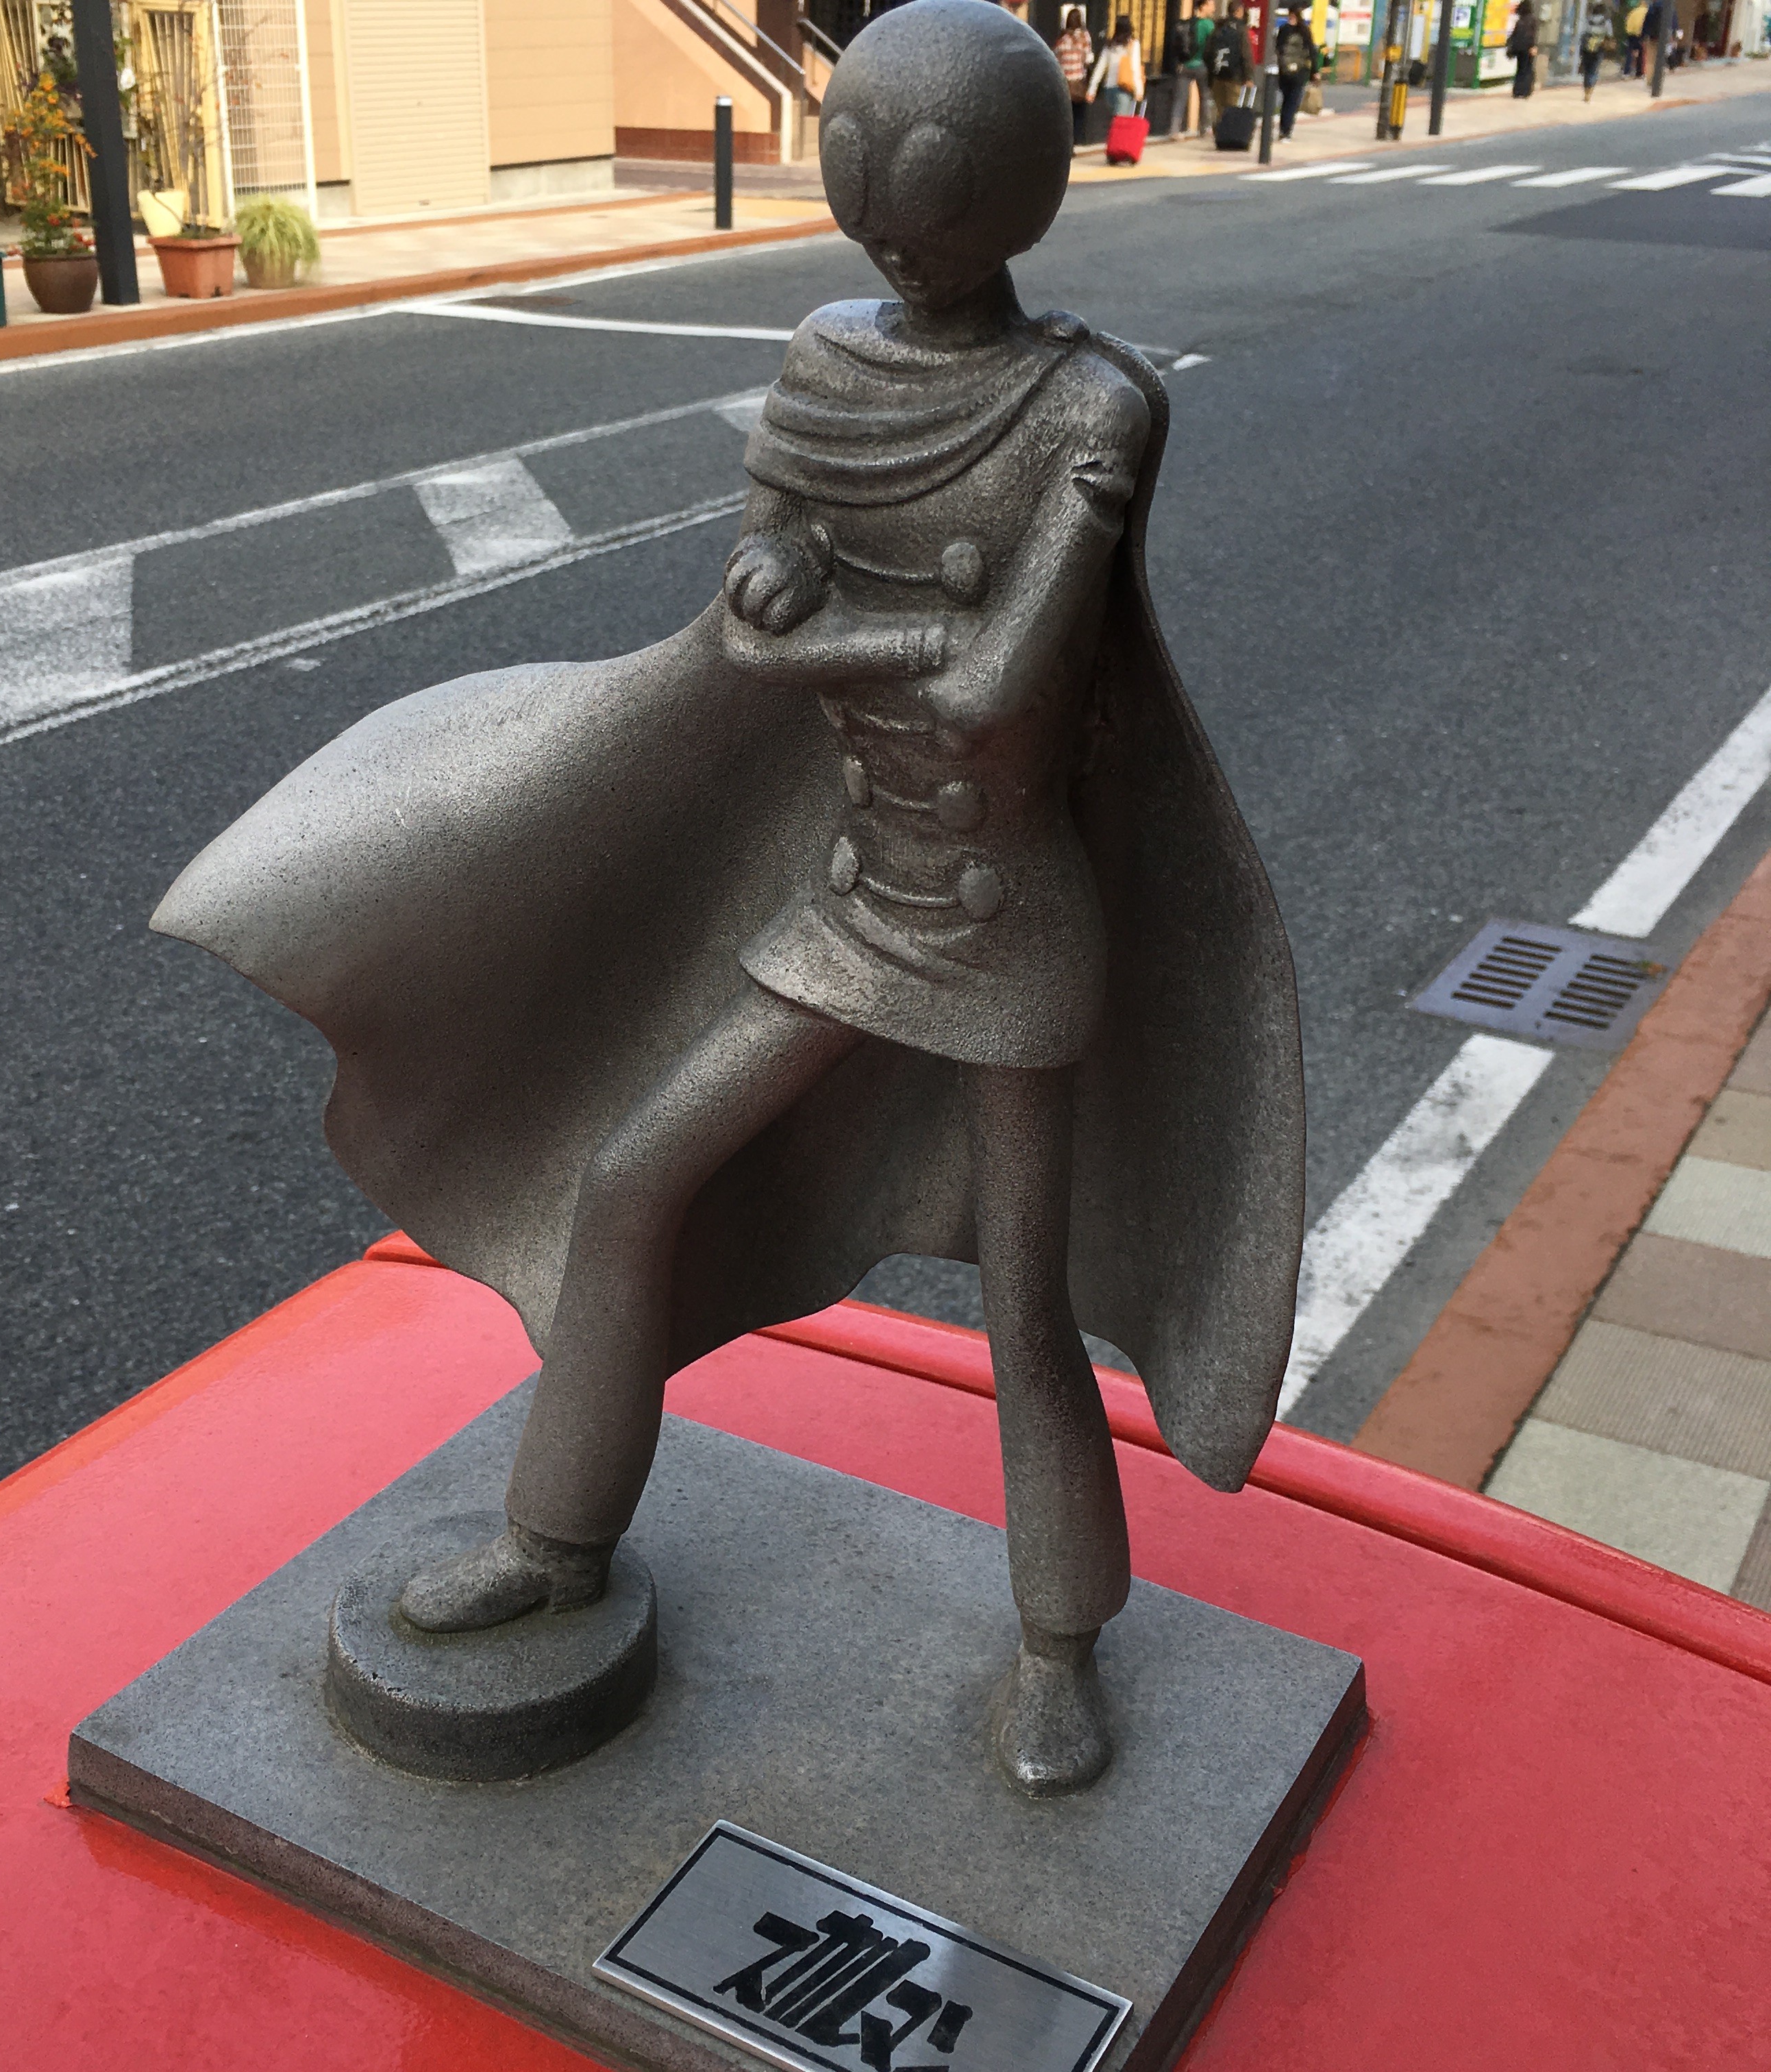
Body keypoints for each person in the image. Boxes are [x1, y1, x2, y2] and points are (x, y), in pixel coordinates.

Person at [153, 0, 1304, 1801]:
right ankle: (557, 1539)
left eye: (923, 181)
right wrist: (814, 595)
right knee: (631, 1177)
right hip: (855, 892)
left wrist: (856, 620)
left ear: (1017, 187)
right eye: (862, 173)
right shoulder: (829, 360)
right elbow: (759, 598)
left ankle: (1059, 1646)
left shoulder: (1095, 405)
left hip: (1010, 922)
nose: (886, 219)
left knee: (1025, 1306)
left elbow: (1003, 691)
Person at [1087, 13, 1147, 118]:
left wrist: (1092, 90)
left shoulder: (1109, 46)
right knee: (1122, 124)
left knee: (1115, 121)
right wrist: (1139, 90)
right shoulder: (1133, 44)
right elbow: (1135, 68)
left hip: (1109, 90)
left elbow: (1100, 68)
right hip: (1124, 89)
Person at [1273, 0, 1318, 137]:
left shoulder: (1284, 29)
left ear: (1290, 14)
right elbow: (1312, 52)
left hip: (1285, 71)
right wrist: (1315, 72)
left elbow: (1278, 49)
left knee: (1286, 101)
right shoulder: (1305, 31)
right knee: (1293, 103)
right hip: (1300, 72)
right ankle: (1286, 131)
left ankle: (1283, 129)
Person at [1054, 5, 1095, 145]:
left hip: (1064, 82)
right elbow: (1088, 59)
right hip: (1078, 81)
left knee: (1065, 115)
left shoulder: (1062, 38)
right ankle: (1077, 139)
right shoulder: (1084, 37)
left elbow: (1056, 58)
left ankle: (1067, 142)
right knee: (1078, 114)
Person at [1209, 0, 1252, 127]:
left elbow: (1208, 52)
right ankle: (1229, 134)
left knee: (1219, 109)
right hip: (1235, 76)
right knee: (1233, 108)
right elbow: (1246, 54)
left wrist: (1211, 74)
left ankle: (1219, 132)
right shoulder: (1241, 29)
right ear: (1239, 11)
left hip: (1218, 74)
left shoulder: (1218, 26)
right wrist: (1249, 76)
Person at [1176, 0, 1217, 135]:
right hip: (1201, 64)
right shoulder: (1208, 24)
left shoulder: (1187, 23)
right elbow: (1213, 45)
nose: (1214, 8)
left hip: (1184, 65)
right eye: (1211, 5)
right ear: (1203, 6)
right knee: (1205, 97)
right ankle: (1205, 128)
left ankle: (1174, 129)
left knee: (1180, 99)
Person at [1506, 0, 1539, 94]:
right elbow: (1532, 35)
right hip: (1528, 48)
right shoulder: (1532, 20)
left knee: (1520, 68)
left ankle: (1517, 90)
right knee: (1527, 69)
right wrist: (1533, 46)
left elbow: (1515, 35)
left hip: (1519, 48)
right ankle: (1525, 90)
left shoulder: (1520, 20)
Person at [1579, 3, 1610, 94]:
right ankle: (1590, 88)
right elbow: (1609, 34)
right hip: (1599, 47)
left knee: (1587, 68)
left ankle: (1586, 88)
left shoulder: (1587, 20)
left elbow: (1582, 33)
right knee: (1594, 68)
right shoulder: (1606, 22)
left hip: (1586, 47)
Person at [1622, 0, 1646, 71]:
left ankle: (1627, 71)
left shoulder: (1633, 12)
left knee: (1630, 52)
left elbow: (1627, 22)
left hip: (1631, 34)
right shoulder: (1646, 12)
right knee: (1641, 52)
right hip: (1640, 33)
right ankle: (1639, 71)